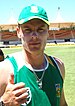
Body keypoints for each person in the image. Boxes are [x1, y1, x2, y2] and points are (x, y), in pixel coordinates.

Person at [0, 4, 68, 106]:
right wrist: (3, 103)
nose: (35, 36)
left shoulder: (58, 66)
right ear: (18, 32)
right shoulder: (5, 69)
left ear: (48, 32)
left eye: (40, 29)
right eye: (28, 30)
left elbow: (62, 104)